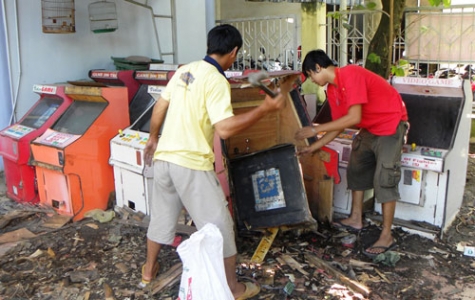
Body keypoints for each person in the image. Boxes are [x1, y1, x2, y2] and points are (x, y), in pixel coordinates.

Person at [142, 24, 299, 299]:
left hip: (164, 158)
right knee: (222, 228)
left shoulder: (184, 70)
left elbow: (160, 106)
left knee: (162, 218)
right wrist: (265, 108)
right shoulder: (216, 80)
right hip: (190, 164)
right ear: (234, 52)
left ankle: (148, 271)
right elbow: (224, 129)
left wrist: (153, 138)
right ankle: (233, 288)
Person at [295, 49, 408, 258]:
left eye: (311, 75)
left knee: (385, 177)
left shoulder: (350, 74)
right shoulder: (333, 90)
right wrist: (314, 146)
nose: (312, 80)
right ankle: (356, 217)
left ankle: (386, 235)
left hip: (391, 123)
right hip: (371, 128)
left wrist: (315, 129)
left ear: (318, 67)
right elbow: (339, 126)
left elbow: (354, 117)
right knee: (356, 164)